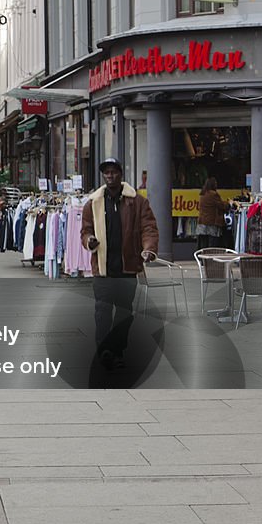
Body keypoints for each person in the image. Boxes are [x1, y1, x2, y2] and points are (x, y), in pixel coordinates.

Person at [82, 157, 159, 369]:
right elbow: (85, 230)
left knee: (124, 313)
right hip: (103, 269)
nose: (110, 176)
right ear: (103, 175)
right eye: (106, 172)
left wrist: (148, 249)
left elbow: (149, 228)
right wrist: (89, 241)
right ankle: (104, 350)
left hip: (127, 267)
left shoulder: (137, 202)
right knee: (102, 312)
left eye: (113, 172)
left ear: (120, 174)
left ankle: (117, 350)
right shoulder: (94, 203)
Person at [197, 177, 228, 250]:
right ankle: (210, 260)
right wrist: (229, 203)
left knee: (203, 244)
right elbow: (221, 206)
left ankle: (202, 259)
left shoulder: (203, 193)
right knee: (212, 244)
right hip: (211, 222)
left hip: (202, 222)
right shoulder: (213, 194)